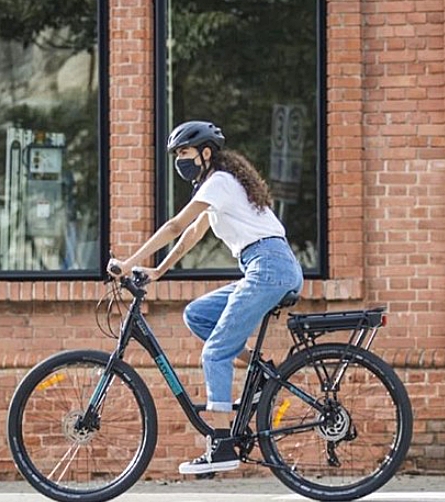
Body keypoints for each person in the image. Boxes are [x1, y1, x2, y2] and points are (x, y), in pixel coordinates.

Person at [107, 120, 304, 475]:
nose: (180, 160)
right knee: (197, 315)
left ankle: (221, 443)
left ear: (206, 153)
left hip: (269, 267)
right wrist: (157, 271)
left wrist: (128, 263)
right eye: (177, 154)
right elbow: (192, 236)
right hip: (263, 267)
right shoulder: (215, 188)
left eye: (184, 152)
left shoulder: (220, 183)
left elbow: (174, 226)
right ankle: (261, 372)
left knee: (215, 352)